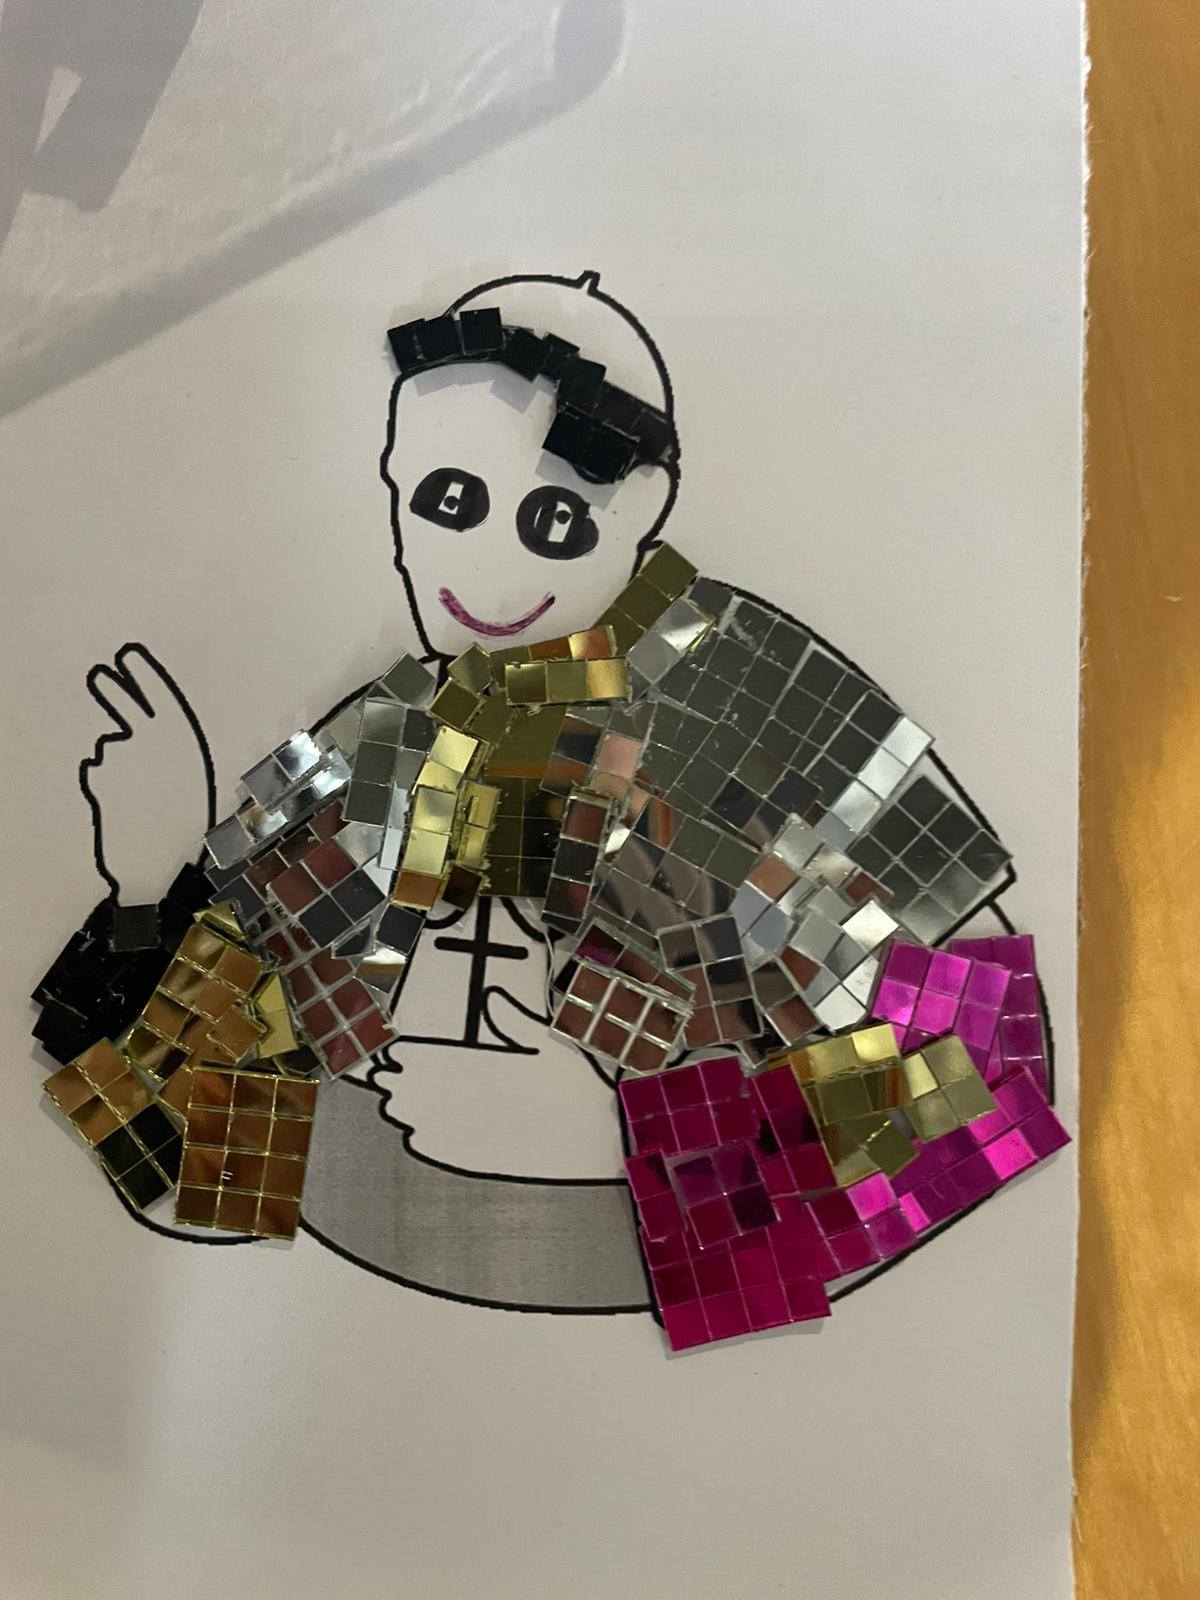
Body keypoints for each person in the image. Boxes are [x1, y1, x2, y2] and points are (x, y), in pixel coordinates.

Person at [38, 268, 1020, 1313]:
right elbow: (192, 1147)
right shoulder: (393, 737)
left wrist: (585, 1124)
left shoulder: (740, 677)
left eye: (555, 518)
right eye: (448, 502)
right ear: (394, 493)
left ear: (643, 517)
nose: (488, 565)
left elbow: (982, 1070)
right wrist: (144, 889)